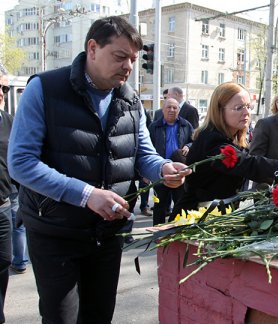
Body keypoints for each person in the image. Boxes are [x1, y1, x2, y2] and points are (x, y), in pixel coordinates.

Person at [7, 16, 190, 323]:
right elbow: (21, 163)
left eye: (132, 59)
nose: (129, 67)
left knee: (98, 316)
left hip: (107, 234)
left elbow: (143, 154)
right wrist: (87, 194)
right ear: (92, 48)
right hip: (56, 233)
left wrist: (164, 169)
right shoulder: (46, 89)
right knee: (61, 318)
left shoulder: (130, 100)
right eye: (120, 57)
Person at [172, 82, 278, 216]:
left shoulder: (232, 138)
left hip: (217, 215)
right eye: (239, 108)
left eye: (248, 107)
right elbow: (251, 163)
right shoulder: (212, 140)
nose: (246, 113)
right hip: (194, 219)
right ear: (219, 110)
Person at [149, 98, 194, 224]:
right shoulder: (154, 127)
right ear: (163, 109)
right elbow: (146, 148)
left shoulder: (186, 125)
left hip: (179, 172)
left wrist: (189, 146)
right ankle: (157, 233)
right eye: (169, 107)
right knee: (159, 205)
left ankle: (175, 233)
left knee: (180, 204)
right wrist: (145, 173)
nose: (171, 110)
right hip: (160, 171)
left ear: (179, 110)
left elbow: (194, 141)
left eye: (175, 108)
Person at [0, 72, 13, 324]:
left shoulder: (9, 121)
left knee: (3, 261)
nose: (1, 93)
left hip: (4, 205)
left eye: (4, 88)